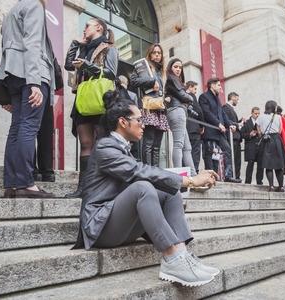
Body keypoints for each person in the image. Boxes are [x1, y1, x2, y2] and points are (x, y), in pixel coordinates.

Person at [73, 90, 220, 287]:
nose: (144, 124)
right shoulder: (104, 147)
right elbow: (138, 171)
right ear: (123, 122)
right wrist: (191, 180)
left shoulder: (123, 148)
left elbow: (144, 173)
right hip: (100, 227)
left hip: (122, 226)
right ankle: (172, 260)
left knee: (170, 191)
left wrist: (182, 182)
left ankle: (181, 256)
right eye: (139, 119)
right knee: (143, 186)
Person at [0, 0, 56, 198]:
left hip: (12, 75)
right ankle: (26, 184)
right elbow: (32, 43)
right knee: (29, 127)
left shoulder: (12, 11)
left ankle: (12, 184)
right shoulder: (34, 6)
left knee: (17, 128)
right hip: (30, 73)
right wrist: (34, 82)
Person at [64, 17, 118, 198]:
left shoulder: (109, 47)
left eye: (87, 25)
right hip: (83, 99)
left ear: (99, 28)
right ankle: (83, 189)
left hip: (101, 99)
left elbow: (111, 74)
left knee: (102, 143)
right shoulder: (84, 48)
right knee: (85, 143)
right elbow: (67, 65)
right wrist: (74, 44)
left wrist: (89, 66)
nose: (84, 29)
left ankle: (103, 187)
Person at [130, 44, 169, 167]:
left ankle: (156, 172)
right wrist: (152, 81)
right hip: (149, 108)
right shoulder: (144, 68)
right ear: (150, 54)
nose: (157, 55)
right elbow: (133, 81)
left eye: (159, 53)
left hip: (160, 109)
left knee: (157, 145)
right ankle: (147, 170)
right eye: (154, 52)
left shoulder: (162, 71)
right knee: (148, 143)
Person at [199, 78, 241, 183]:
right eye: (218, 85)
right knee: (208, 155)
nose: (220, 87)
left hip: (219, 132)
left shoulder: (218, 99)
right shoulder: (203, 97)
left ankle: (228, 176)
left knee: (227, 149)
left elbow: (223, 114)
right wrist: (218, 123)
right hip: (209, 130)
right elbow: (207, 113)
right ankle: (209, 177)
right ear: (212, 86)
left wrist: (230, 124)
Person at [164, 58, 196, 176]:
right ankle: (178, 176)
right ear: (170, 68)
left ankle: (193, 175)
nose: (178, 69)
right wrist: (190, 98)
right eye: (175, 67)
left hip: (178, 112)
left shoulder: (175, 80)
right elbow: (186, 97)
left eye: (180, 67)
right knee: (179, 144)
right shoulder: (172, 79)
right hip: (176, 111)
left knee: (187, 147)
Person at [256, 100, 285, 192]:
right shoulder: (278, 117)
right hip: (276, 140)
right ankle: (281, 186)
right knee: (279, 164)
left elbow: (259, 132)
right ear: (274, 107)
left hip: (266, 141)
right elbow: (279, 131)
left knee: (268, 165)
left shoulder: (260, 117)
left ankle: (271, 186)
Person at [223, 92, 245, 181]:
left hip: (236, 137)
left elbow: (232, 121)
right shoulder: (225, 107)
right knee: (232, 158)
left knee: (237, 159)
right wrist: (237, 123)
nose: (237, 101)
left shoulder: (231, 108)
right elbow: (227, 121)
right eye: (237, 99)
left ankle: (237, 176)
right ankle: (232, 176)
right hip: (231, 137)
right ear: (233, 98)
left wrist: (240, 121)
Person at [240, 107, 263, 185]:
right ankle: (247, 181)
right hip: (250, 146)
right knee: (250, 164)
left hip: (259, 146)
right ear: (252, 113)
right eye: (256, 113)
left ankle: (259, 182)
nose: (257, 115)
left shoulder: (261, 122)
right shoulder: (247, 122)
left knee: (260, 165)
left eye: (258, 113)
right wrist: (250, 134)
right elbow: (242, 134)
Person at [185, 81, 204, 173]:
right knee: (195, 152)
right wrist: (202, 125)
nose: (196, 91)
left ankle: (186, 171)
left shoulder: (180, 96)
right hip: (193, 128)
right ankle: (194, 172)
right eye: (195, 89)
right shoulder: (191, 96)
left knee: (185, 151)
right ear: (190, 87)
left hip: (184, 128)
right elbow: (199, 111)